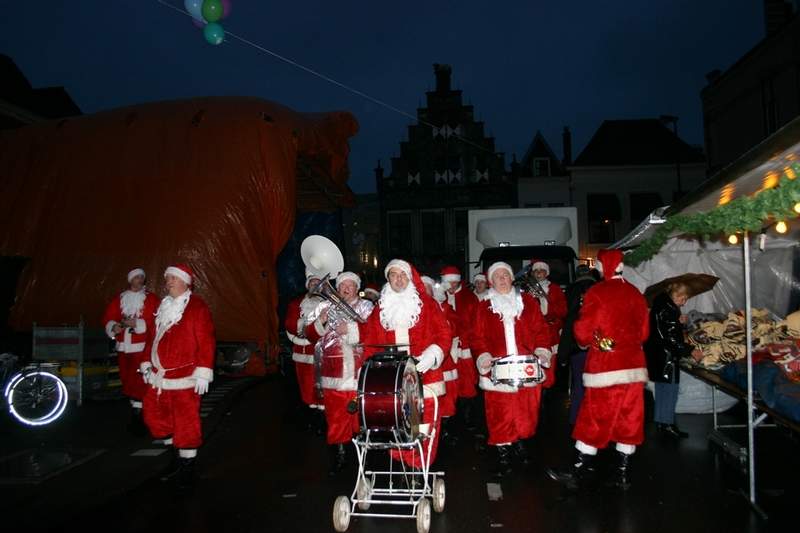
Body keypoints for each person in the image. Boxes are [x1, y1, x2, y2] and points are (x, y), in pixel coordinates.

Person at [546, 249, 649, 491]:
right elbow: (644, 333)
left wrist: (588, 341)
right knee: (629, 418)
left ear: (604, 266)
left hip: (605, 367)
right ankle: (622, 473)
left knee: (594, 417)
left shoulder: (597, 292)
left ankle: (578, 469)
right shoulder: (635, 293)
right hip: (634, 366)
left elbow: (583, 330)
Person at [358, 259, 450, 468]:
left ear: (409, 278)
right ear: (388, 279)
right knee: (395, 425)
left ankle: (421, 467)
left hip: (426, 376)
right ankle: (403, 466)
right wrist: (367, 374)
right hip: (391, 381)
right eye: (393, 275)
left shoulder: (428, 304)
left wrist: (433, 353)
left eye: (402, 275)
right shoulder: (379, 309)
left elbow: (444, 333)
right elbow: (370, 344)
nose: (398, 279)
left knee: (425, 425)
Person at [473, 262, 553, 477]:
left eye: (505, 275)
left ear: (511, 278)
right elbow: (477, 337)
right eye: (497, 276)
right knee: (500, 414)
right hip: (497, 369)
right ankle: (503, 455)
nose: (502, 279)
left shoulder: (528, 302)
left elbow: (541, 329)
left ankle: (520, 444)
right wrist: (483, 356)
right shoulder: (483, 306)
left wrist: (542, 351)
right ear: (491, 281)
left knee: (525, 411)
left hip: (526, 368)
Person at [140, 264, 215, 488]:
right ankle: (175, 456)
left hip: (184, 379)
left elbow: (206, 340)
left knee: (186, 424)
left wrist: (203, 371)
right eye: (167, 278)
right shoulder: (163, 306)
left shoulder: (197, 307)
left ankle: (187, 467)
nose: (168, 281)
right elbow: (152, 338)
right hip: (159, 378)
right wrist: (146, 362)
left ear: (185, 282)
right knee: (155, 417)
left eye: (173, 277)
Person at [303, 272, 374, 475]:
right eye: (343, 285)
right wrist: (321, 321)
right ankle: (339, 456)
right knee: (335, 417)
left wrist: (351, 329)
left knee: (361, 417)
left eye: (351, 285)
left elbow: (374, 331)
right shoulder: (324, 306)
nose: (346, 289)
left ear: (357, 288)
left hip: (360, 371)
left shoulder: (367, 307)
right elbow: (309, 335)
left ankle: (363, 458)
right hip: (333, 371)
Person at [102, 268, 160, 435]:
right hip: (124, 347)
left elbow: (157, 319)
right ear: (130, 280)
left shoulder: (151, 299)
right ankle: (137, 413)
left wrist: (138, 324)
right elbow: (109, 317)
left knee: (141, 382)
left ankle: (140, 416)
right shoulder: (120, 298)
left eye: (142, 277)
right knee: (128, 380)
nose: (140, 280)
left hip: (142, 347)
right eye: (137, 277)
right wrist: (114, 326)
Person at [644, 282, 704, 439]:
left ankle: (661, 422)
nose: (684, 302)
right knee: (670, 391)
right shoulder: (669, 309)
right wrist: (690, 350)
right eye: (682, 298)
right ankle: (668, 424)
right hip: (667, 356)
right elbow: (671, 338)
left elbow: (664, 330)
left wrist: (679, 322)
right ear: (675, 295)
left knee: (661, 389)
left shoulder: (661, 304)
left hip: (657, 354)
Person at [556, 264, 598, 425]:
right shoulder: (599, 288)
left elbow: (567, 320)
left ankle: (576, 418)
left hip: (576, 345)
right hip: (597, 345)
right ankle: (594, 419)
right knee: (596, 384)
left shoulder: (570, 291)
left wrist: (563, 354)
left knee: (578, 383)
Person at [284, 271, 325, 429]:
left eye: (318, 283)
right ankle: (311, 416)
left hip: (325, 353)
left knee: (324, 386)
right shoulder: (296, 303)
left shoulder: (329, 303)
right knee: (307, 386)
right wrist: (308, 326)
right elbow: (290, 324)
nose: (315, 286)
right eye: (312, 283)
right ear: (308, 285)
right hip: (304, 353)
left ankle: (323, 417)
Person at [440, 265, 480, 428]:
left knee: (467, 381)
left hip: (465, 346)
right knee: (449, 382)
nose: (451, 285)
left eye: (454, 282)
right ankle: (449, 417)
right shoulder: (439, 296)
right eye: (448, 282)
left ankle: (467, 416)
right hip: (447, 348)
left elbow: (476, 322)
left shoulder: (469, 297)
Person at [422, 275, 458, 442]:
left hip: (443, 359)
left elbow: (455, 328)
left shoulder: (444, 308)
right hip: (423, 360)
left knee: (447, 396)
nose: (424, 291)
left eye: (427, 288)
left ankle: (445, 429)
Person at [529, 259, 567, 388]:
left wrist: (546, 300)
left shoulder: (555, 289)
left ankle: (547, 388)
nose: (539, 273)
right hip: (533, 331)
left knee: (549, 361)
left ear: (547, 273)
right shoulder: (528, 290)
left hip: (551, 331)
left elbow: (563, 311)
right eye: (536, 271)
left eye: (542, 270)